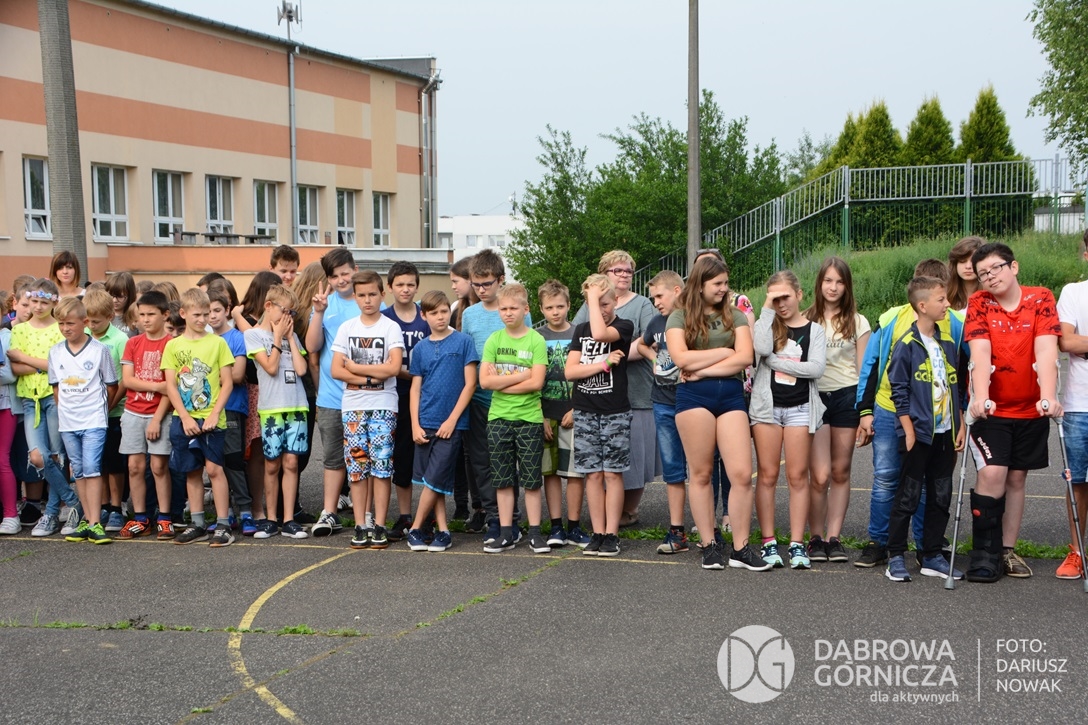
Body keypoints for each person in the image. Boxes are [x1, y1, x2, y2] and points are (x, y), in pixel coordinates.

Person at [855, 258, 966, 568]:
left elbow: (960, 372)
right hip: (891, 408)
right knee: (887, 478)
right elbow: (872, 364)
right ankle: (880, 542)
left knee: (928, 482)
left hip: (933, 418)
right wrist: (865, 410)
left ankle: (926, 545)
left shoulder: (955, 324)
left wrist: (959, 415)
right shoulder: (892, 318)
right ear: (919, 296)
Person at [965, 242, 1063, 582]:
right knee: (992, 473)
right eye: (983, 273)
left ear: (1013, 267)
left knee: (1017, 478)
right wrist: (981, 396)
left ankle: (1006, 550)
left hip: (1030, 408)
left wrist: (1048, 396)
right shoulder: (979, 302)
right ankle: (984, 553)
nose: (990, 276)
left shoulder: (1041, 298)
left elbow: (1046, 349)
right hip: (993, 410)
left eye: (996, 268)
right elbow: (980, 352)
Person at [665, 256, 769, 572]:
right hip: (693, 398)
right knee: (701, 474)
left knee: (741, 474)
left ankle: (740, 549)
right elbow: (680, 358)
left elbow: (745, 357)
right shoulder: (679, 316)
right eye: (718, 284)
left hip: (731, 397)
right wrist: (724, 352)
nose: (724, 289)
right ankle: (709, 545)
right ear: (700, 284)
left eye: (726, 283)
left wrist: (704, 368)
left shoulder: (735, 314)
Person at [884, 277, 966, 582]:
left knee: (941, 495)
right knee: (907, 495)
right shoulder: (906, 344)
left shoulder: (947, 343)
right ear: (922, 305)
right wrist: (908, 430)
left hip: (945, 433)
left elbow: (955, 386)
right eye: (941, 300)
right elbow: (899, 390)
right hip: (917, 434)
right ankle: (895, 556)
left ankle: (931, 554)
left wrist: (959, 424)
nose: (947, 304)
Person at [572, 251, 656, 526]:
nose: (624, 275)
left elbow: (648, 341)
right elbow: (578, 341)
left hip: (635, 392)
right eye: (617, 270)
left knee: (630, 460)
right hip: (593, 396)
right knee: (597, 468)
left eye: (628, 270)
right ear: (604, 274)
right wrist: (604, 361)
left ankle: (627, 511)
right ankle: (603, 521)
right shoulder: (590, 306)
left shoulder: (641, 305)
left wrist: (613, 355)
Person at [751, 271, 826, 570]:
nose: (781, 304)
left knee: (797, 477)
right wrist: (766, 309)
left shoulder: (814, 330)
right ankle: (768, 542)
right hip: (767, 409)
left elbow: (816, 369)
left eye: (785, 297)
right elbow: (761, 349)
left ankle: (797, 543)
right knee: (767, 475)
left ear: (799, 294)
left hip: (800, 408)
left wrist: (775, 362)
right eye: (774, 298)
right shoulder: (767, 324)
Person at [460, 249, 531, 545]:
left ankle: (512, 520)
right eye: (476, 284)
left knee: (510, 463)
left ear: (500, 279)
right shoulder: (469, 314)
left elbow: (528, 353)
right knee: (482, 462)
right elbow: (468, 358)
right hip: (479, 401)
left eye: (486, 283)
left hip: (513, 402)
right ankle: (494, 518)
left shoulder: (515, 311)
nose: (481, 290)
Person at [330, 270, 404, 549]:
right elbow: (337, 370)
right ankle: (360, 525)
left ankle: (380, 525)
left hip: (383, 405)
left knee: (382, 468)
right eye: (361, 295)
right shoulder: (347, 328)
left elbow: (393, 368)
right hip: (353, 407)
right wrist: (373, 376)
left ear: (382, 294)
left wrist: (357, 369)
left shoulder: (390, 327)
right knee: (357, 468)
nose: (367, 300)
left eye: (373, 294)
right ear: (355, 297)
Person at [805, 257, 870, 563]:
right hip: (815, 397)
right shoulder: (806, 319)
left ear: (847, 286)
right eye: (828, 281)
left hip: (847, 397)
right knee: (820, 475)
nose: (833, 287)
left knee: (841, 471)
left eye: (840, 282)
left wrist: (866, 411)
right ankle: (815, 537)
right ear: (819, 283)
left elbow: (864, 370)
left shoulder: (858, 321)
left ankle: (834, 538)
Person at [161, 287, 237, 547]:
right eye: (197, 315)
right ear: (183, 313)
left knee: (214, 469)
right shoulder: (173, 345)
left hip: (211, 418)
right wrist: (184, 417)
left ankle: (223, 524)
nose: (204, 319)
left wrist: (214, 414)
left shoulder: (217, 343)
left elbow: (227, 383)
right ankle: (198, 523)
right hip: (184, 419)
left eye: (206, 314)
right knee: (191, 470)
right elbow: (171, 385)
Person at [564, 275, 633, 556]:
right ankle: (598, 532)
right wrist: (603, 364)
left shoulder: (624, 326)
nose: (601, 309)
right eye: (595, 304)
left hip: (615, 411)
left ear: (615, 301)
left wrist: (594, 298)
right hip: (585, 410)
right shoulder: (580, 330)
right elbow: (570, 372)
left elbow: (602, 334)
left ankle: (612, 534)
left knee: (612, 473)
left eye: (605, 303)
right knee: (592, 474)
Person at [405, 290, 479, 552]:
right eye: (434, 313)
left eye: (444, 311)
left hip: (452, 424)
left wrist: (452, 420)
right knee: (431, 480)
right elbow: (415, 389)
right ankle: (443, 530)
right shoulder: (420, 348)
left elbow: (470, 384)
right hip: (425, 420)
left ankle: (415, 528)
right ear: (424, 315)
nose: (440, 317)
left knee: (436, 475)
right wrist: (414, 424)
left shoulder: (464, 342)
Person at [7, 280, 78, 537]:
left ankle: (51, 513)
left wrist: (26, 359)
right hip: (30, 400)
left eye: (44, 302)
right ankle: (73, 501)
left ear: (54, 303)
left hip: (54, 397)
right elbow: (14, 368)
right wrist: (41, 365)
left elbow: (59, 366)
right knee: (38, 456)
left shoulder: (58, 329)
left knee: (57, 456)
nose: (38, 307)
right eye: (34, 301)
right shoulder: (19, 330)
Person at [479, 283, 547, 553]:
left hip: (529, 419)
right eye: (503, 308)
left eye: (513, 308)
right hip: (498, 418)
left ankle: (535, 533)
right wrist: (523, 375)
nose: (508, 313)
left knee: (531, 480)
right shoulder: (494, 340)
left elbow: (537, 383)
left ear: (525, 309)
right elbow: (485, 382)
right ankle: (507, 532)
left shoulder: (536, 340)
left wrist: (503, 382)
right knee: (503, 480)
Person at [48, 297, 117, 544]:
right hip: (68, 422)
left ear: (85, 322)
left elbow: (111, 385)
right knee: (78, 471)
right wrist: (65, 411)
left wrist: (100, 410)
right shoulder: (55, 352)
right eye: (61, 324)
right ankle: (87, 520)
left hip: (94, 420)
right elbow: (56, 388)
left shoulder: (100, 350)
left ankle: (96, 522)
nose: (65, 328)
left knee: (92, 468)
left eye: (70, 323)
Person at [244, 284, 310, 539]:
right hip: (272, 408)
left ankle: (289, 519)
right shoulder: (254, 335)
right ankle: (271, 519)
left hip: (297, 406)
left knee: (291, 462)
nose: (288, 317)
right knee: (272, 464)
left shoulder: (290, 335)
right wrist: (276, 338)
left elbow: (301, 370)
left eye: (291, 312)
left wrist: (289, 338)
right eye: (285, 311)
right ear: (268, 306)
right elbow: (270, 368)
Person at [306, 248, 358, 537]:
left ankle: (365, 514)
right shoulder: (324, 305)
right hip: (331, 396)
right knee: (333, 459)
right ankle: (329, 512)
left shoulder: (366, 301)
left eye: (345, 273)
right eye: (334, 276)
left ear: (355, 270)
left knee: (364, 458)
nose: (341, 280)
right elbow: (312, 346)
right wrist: (319, 312)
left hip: (364, 396)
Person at [639, 270, 690, 554]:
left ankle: (710, 529)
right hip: (662, 401)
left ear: (677, 290)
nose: (656, 302)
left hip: (691, 400)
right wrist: (655, 358)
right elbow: (642, 344)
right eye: (653, 298)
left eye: (659, 296)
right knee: (672, 469)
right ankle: (677, 531)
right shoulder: (656, 322)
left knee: (702, 468)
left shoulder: (691, 318)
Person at [118, 290, 175, 539]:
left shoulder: (172, 344)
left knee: (159, 466)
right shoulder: (133, 343)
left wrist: (157, 419)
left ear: (165, 314)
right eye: (141, 315)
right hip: (133, 412)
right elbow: (128, 380)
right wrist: (157, 386)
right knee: (134, 467)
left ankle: (165, 517)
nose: (145, 319)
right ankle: (140, 518)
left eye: (151, 314)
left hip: (160, 414)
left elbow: (171, 389)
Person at [381, 261, 431, 541]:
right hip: (396, 394)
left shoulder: (426, 317)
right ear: (390, 287)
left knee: (429, 453)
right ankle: (404, 515)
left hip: (428, 396)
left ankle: (428, 516)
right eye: (400, 284)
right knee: (401, 456)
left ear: (417, 286)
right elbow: (386, 362)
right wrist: (412, 374)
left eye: (410, 284)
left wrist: (421, 377)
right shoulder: (384, 319)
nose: (405, 289)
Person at [537, 279, 588, 548]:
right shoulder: (537, 337)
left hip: (573, 412)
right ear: (541, 309)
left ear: (569, 305)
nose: (555, 312)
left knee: (576, 472)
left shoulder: (580, 333)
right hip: (546, 413)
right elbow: (534, 380)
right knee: (551, 472)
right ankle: (556, 526)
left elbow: (587, 375)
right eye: (549, 307)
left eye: (559, 306)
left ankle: (574, 526)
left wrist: (577, 408)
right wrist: (540, 414)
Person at [208, 285, 257, 535]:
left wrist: (207, 378)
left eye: (217, 310)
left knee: (234, 460)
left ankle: (246, 510)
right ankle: (225, 513)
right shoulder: (203, 340)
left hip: (231, 408)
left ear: (228, 310)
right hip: (207, 410)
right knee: (215, 463)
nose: (212, 315)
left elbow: (237, 375)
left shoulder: (236, 338)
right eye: (207, 311)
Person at [1056, 230, 1088, 579]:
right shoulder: (1073, 292)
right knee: (1077, 481)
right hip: (1080, 404)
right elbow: (1065, 341)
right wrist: (1076, 342)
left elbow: (1079, 342)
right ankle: (1077, 551)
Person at [83, 289, 129, 532]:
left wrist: (109, 404)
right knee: (96, 462)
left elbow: (122, 380)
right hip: (89, 412)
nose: (91, 325)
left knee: (114, 462)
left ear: (110, 317)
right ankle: (100, 505)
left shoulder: (120, 339)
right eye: (88, 320)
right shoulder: (83, 336)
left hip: (114, 411)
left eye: (96, 321)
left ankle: (116, 507)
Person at [447, 255, 480, 523]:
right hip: (460, 389)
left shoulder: (488, 309)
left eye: (457, 281)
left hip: (484, 388)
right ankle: (461, 505)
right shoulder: (455, 309)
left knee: (478, 453)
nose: (454, 286)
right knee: (461, 452)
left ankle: (483, 507)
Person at [0, 319, 20, 534]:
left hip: (5, 406)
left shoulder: (7, 337)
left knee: (1, 459)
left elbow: (8, 374)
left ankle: (10, 515)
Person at [946, 236, 984, 314]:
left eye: (973, 261)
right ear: (955, 263)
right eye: (963, 261)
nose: (968, 266)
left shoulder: (992, 295)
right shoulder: (943, 293)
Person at [105, 271, 137, 336]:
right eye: (111, 295)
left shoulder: (135, 316)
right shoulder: (102, 315)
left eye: (120, 296)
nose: (114, 300)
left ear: (130, 295)